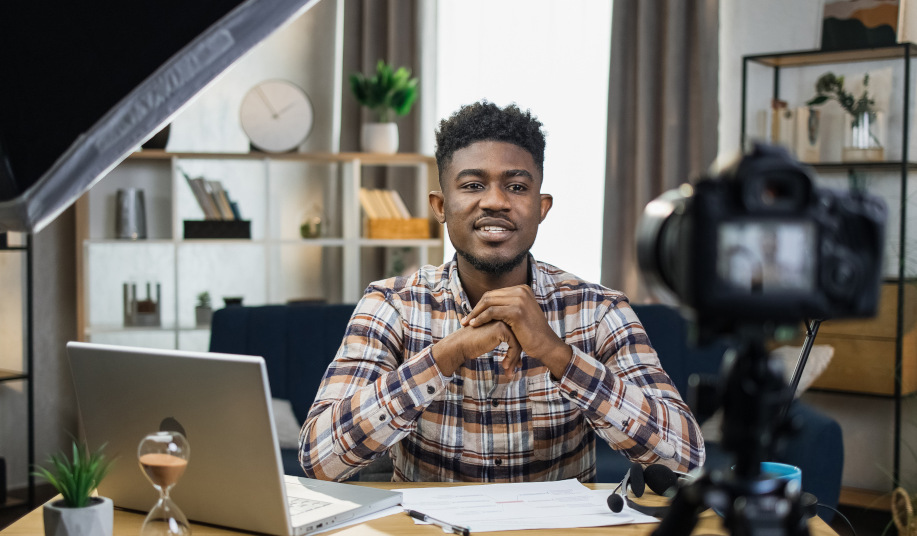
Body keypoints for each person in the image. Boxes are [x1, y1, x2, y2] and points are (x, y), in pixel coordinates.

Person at [299, 101, 704, 482]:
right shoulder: (392, 305)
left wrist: (557, 354)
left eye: (516, 187)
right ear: (440, 207)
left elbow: (685, 459)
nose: (495, 202)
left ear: (541, 208)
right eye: (473, 185)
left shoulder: (598, 310)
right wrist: (446, 354)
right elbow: (319, 460)